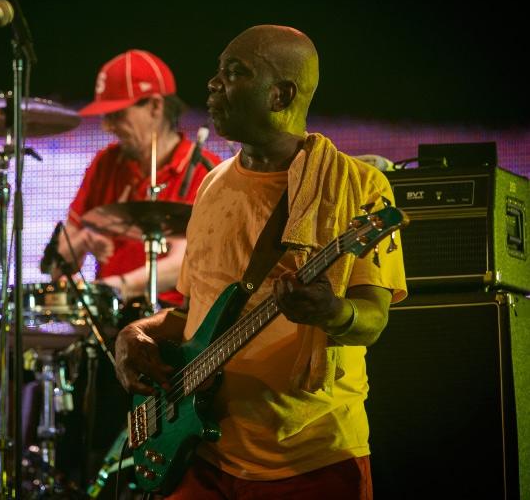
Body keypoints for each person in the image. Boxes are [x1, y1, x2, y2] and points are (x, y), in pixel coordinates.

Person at [114, 25, 408, 499]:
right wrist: (134, 333)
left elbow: (372, 321)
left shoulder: (359, 188)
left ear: (281, 94)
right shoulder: (211, 185)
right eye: (217, 72)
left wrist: (332, 313)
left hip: (312, 458)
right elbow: (195, 317)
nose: (212, 84)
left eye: (233, 74)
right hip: (202, 456)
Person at [45, 49, 222, 310]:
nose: (106, 126)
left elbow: (186, 262)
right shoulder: (105, 163)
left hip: (176, 325)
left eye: (116, 114)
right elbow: (58, 266)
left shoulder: (207, 171)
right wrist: (83, 239)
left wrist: (116, 287)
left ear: (154, 106)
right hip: (109, 320)